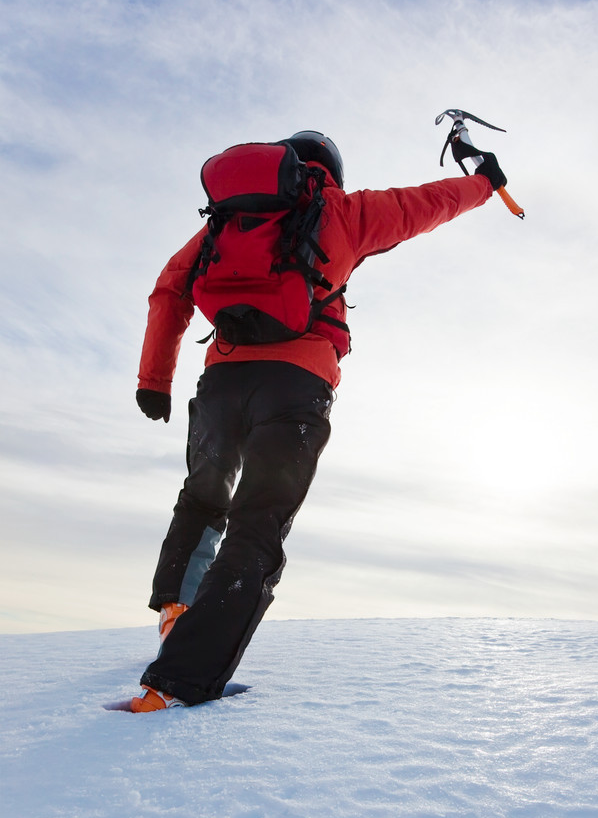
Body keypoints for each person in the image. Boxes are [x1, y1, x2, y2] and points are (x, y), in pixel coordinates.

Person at [131, 129, 506, 711]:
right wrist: (485, 183)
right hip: (298, 385)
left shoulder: (224, 223)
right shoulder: (344, 211)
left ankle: (176, 612)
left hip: (222, 378)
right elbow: (426, 203)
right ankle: (176, 683)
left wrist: (154, 380)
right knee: (258, 525)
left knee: (203, 495)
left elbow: (169, 290)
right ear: (329, 170)